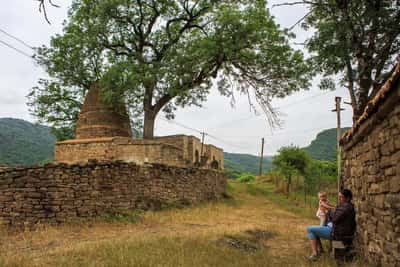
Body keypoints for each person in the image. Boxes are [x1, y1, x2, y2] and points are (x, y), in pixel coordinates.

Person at [306, 189, 356, 261]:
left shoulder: (346, 207)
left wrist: (329, 211)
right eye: (339, 197)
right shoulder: (345, 206)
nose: (339, 199)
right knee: (316, 228)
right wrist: (331, 211)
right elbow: (335, 213)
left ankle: (315, 254)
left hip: (337, 232)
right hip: (336, 228)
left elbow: (335, 218)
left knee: (309, 229)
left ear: (347, 198)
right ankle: (320, 252)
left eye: (341, 197)